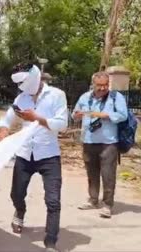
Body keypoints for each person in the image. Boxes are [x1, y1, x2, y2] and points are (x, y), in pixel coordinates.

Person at [0, 63, 68, 252]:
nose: (23, 88)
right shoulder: (21, 98)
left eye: (25, 83)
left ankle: (51, 242)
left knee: (53, 201)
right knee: (16, 194)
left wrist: (37, 118)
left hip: (49, 155)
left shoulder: (57, 95)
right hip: (25, 154)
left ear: (36, 77)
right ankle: (20, 211)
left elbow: (62, 124)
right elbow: (8, 119)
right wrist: (3, 129)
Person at [72, 71, 128, 218]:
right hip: (89, 141)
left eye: (105, 85)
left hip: (109, 143)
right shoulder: (85, 97)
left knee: (108, 175)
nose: (103, 88)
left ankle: (107, 205)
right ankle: (93, 199)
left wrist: (106, 115)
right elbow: (75, 115)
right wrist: (76, 115)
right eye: (99, 85)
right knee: (92, 173)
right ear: (93, 84)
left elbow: (123, 115)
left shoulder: (116, 97)